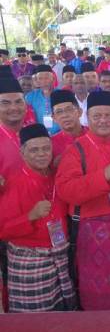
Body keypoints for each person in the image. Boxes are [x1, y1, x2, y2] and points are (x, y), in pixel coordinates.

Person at [56, 91, 110, 310]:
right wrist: (101, 177)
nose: (103, 120)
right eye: (97, 116)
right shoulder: (76, 150)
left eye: (108, 115)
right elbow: (66, 190)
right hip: (93, 230)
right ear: (87, 117)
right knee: (99, 289)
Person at [0, 124, 75, 312]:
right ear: (22, 153)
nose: (42, 154)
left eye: (46, 148)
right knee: (34, 322)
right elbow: (3, 230)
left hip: (60, 256)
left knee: (61, 314)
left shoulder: (57, 176)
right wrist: (30, 216)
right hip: (31, 263)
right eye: (34, 150)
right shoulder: (14, 183)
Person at [0, 77, 27, 181]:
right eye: (5, 103)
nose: (14, 108)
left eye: (18, 102)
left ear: (25, 105)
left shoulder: (35, 131)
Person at [50, 90, 86, 167]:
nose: (65, 115)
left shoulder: (93, 134)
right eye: (59, 112)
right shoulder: (50, 144)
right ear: (54, 118)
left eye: (69, 109)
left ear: (80, 112)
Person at [25, 64, 59, 135]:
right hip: (38, 134)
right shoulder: (30, 96)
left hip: (59, 133)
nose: (44, 81)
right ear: (37, 80)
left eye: (46, 78)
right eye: (40, 78)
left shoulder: (61, 94)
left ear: (53, 79)